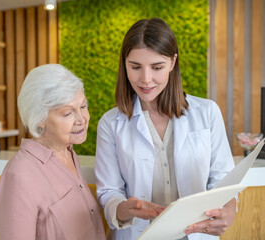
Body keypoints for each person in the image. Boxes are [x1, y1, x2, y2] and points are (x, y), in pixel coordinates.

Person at [95, 18, 236, 240]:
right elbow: (109, 192)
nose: (146, 79)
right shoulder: (110, 123)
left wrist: (226, 214)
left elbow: (224, 181)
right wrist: (124, 208)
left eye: (157, 67)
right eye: (135, 67)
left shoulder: (207, 112)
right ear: (124, 64)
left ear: (172, 62)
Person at [0, 64, 106, 240]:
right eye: (68, 113)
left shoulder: (69, 153)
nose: (82, 119)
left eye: (83, 106)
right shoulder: (19, 175)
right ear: (40, 118)